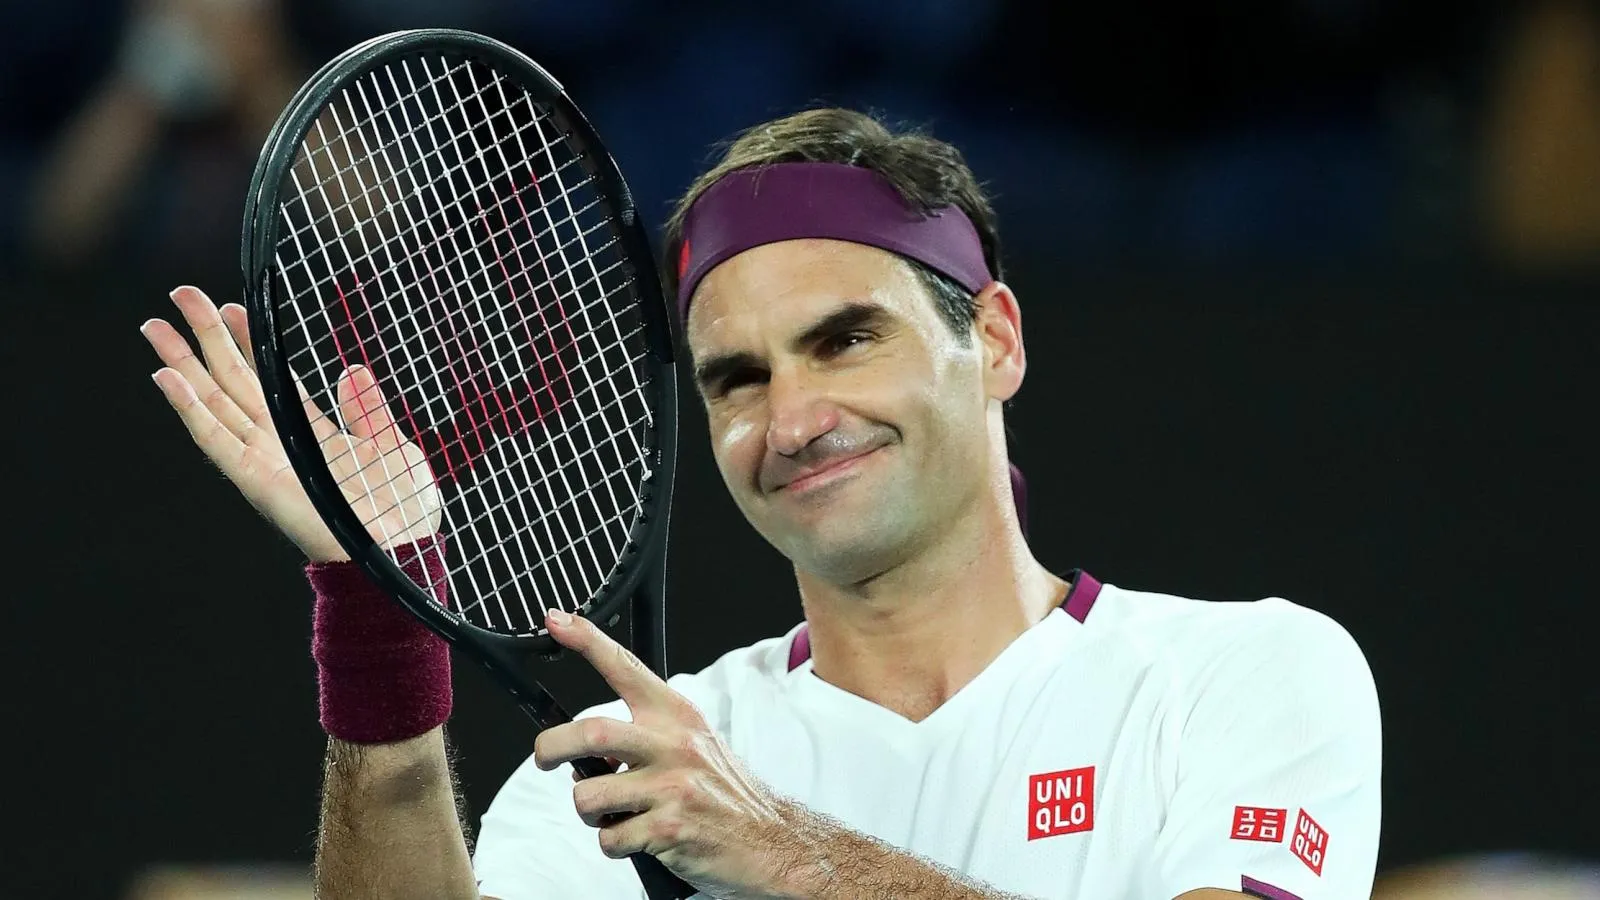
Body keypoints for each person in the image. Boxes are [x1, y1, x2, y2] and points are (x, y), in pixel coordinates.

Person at [142, 107, 1381, 899]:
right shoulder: (646, 765)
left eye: (845, 341)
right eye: (738, 378)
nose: (789, 420)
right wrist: (379, 631)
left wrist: (781, 855)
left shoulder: (1249, 671)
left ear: (993, 340)